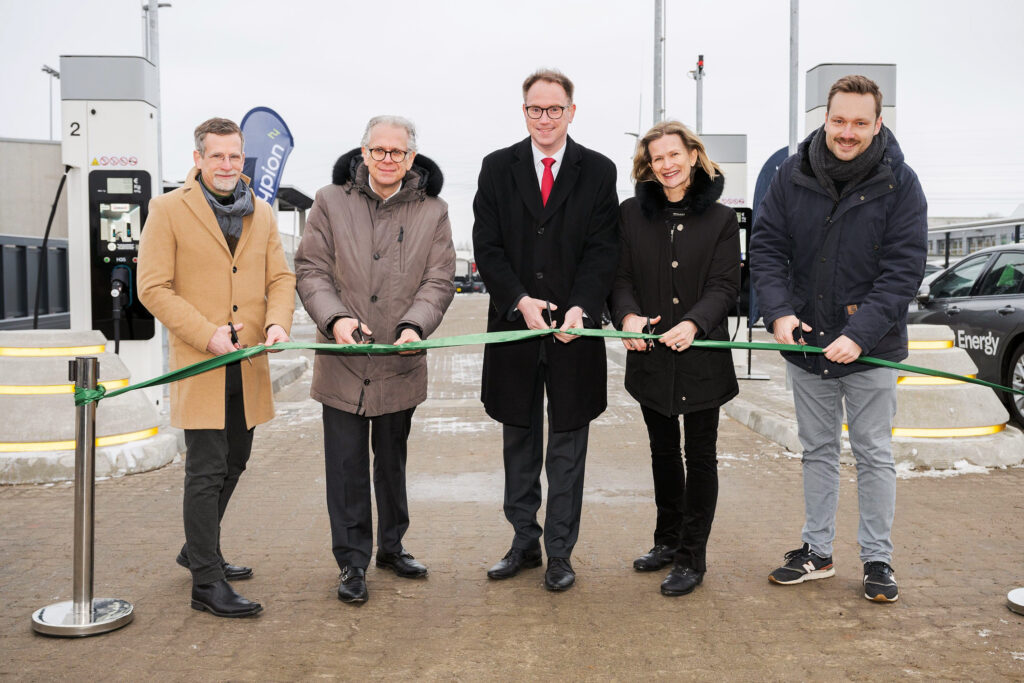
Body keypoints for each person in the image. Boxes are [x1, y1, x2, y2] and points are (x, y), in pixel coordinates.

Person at [749, 75, 927, 603]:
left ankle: (877, 560)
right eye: (838, 120)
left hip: (870, 348)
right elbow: (766, 249)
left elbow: (902, 270)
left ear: (877, 122)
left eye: (859, 122)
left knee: (873, 452)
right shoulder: (790, 174)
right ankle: (817, 552)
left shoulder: (902, 182)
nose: (847, 132)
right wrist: (778, 314)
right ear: (824, 118)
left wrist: (860, 334)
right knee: (818, 451)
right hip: (806, 345)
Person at [294, 115, 455, 605]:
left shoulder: (434, 211)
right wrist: (335, 319)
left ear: (412, 158)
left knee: (392, 462)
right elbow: (311, 270)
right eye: (379, 150)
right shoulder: (328, 201)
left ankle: (392, 546)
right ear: (363, 152)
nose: (388, 160)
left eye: (398, 152)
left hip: (399, 361)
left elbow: (440, 278)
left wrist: (415, 326)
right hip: (342, 361)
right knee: (345, 467)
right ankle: (351, 561)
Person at [138, 117, 295, 618]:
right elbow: (153, 288)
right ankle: (206, 581)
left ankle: (196, 549)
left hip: (247, 365)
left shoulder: (262, 213)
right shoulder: (166, 209)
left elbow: (281, 278)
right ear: (199, 160)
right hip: (202, 362)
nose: (227, 165)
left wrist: (277, 324)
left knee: (236, 461)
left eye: (235, 156)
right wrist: (206, 333)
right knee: (205, 471)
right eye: (217, 156)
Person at [472, 68, 619, 592]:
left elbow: (604, 248)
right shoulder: (496, 168)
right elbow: (486, 246)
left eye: (554, 109)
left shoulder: (598, 171)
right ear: (524, 112)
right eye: (535, 109)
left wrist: (581, 307)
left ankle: (560, 551)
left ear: (571, 112)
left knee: (567, 446)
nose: (545, 118)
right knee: (519, 440)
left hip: (575, 335)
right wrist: (518, 300)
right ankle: (522, 542)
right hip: (515, 328)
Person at [611, 121, 740, 597]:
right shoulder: (630, 215)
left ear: (693, 155)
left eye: (674, 154)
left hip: (702, 357)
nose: (666, 164)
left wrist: (694, 323)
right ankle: (666, 542)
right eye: (657, 158)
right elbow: (619, 277)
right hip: (649, 359)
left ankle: (692, 557)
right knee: (662, 452)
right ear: (648, 164)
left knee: (699, 455)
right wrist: (625, 315)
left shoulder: (722, 220)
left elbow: (726, 286)